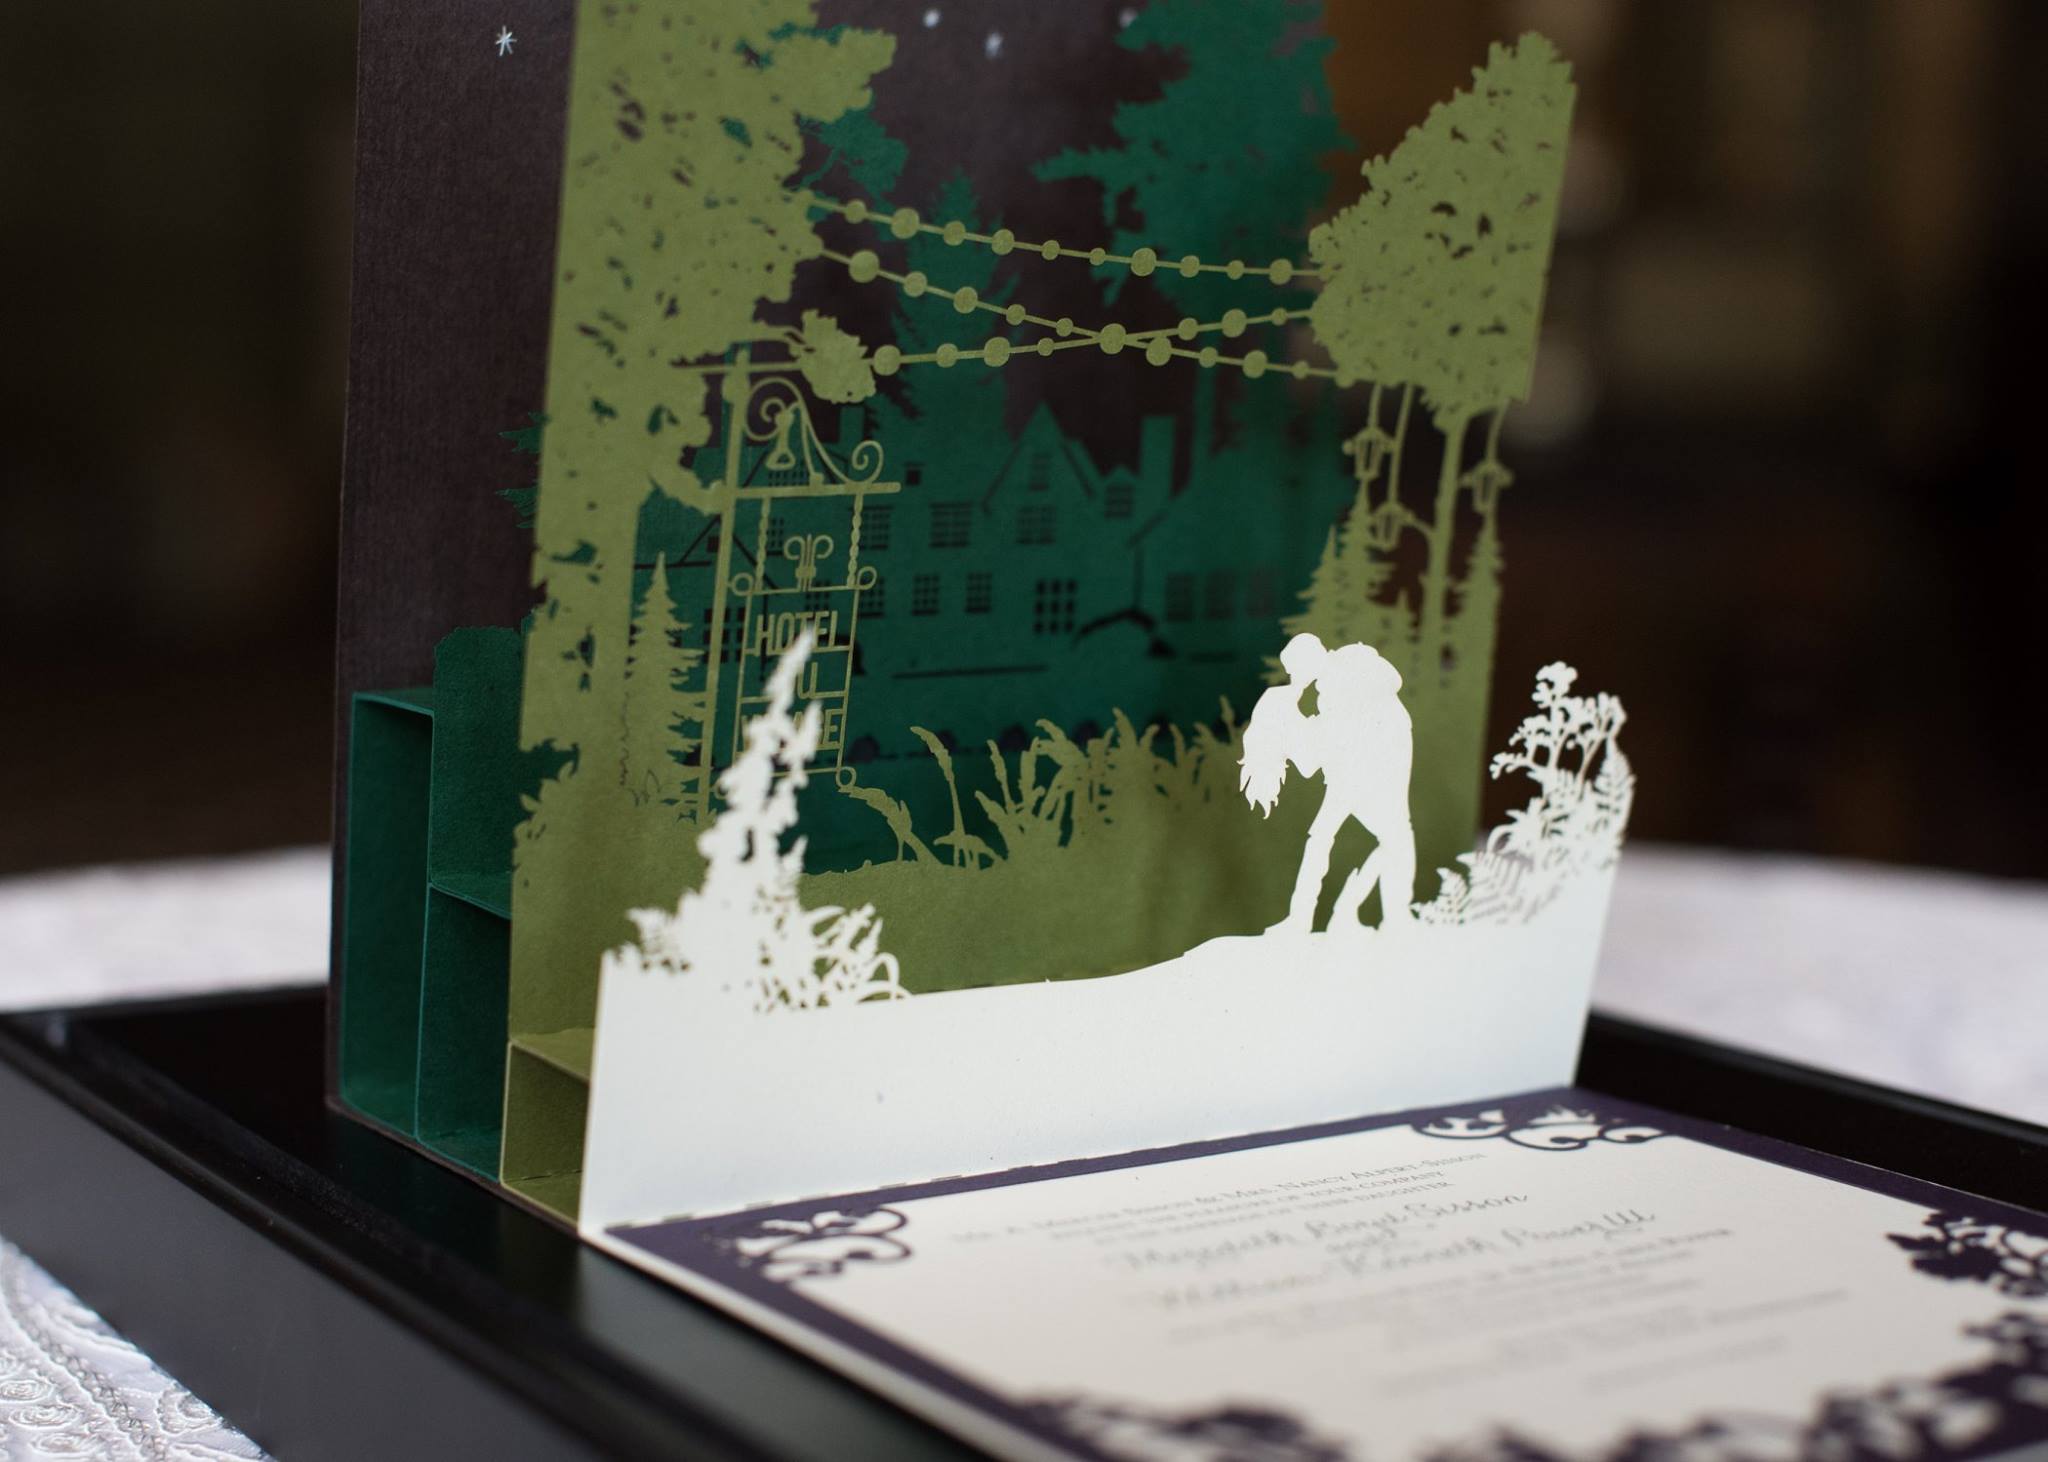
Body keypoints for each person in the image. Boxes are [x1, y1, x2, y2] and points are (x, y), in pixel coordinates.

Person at [1239, 633, 1416, 933]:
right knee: (1327, 837)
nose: (1295, 678)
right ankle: (1301, 919)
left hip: (1382, 763)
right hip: (1348, 772)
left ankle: (1395, 916)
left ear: (1308, 659)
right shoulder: (1324, 694)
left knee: (1392, 835)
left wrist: (1342, 713)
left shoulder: (1353, 658)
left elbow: (1392, 681)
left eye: (1295, 670)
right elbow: (1311, 763)